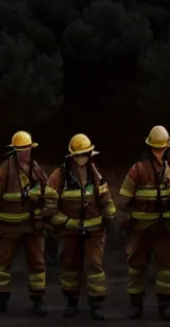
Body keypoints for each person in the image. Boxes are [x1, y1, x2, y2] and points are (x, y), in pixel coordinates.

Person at [0, 130, 58, 317]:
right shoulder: (3, 170)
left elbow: (47, 190)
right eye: (22, 149)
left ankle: (37, 302)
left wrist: (44, 212)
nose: (25, 152)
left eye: (28, 149)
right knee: (3, 264)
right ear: (15, 151)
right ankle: (1, 303)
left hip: (33, 226)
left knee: (37, 264)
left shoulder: (36, 169)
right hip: (9, 228)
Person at [47, 134, 117, 319]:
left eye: (85, 154)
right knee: (70, 266)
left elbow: (105, 198)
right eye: (79, 155)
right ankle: (72, 303)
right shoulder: (59, 176)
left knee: (94, 265)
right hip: (69, 230)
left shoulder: (95, 174)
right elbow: (49, 208)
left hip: (94, 230)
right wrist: (66, 222)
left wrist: (109, 214)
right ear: (71, 156)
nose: (82, 158)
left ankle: (96, 305)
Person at [118, 125, 170, 320]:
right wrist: (128, 219)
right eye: (158, 148)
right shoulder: (137, 169)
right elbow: (123, 199)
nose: (160, 152)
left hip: (162, 228)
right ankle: (136, 306)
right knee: (137, 266)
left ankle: (165, 306)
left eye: (162, 149)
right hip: (140, 229)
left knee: (165, 267)